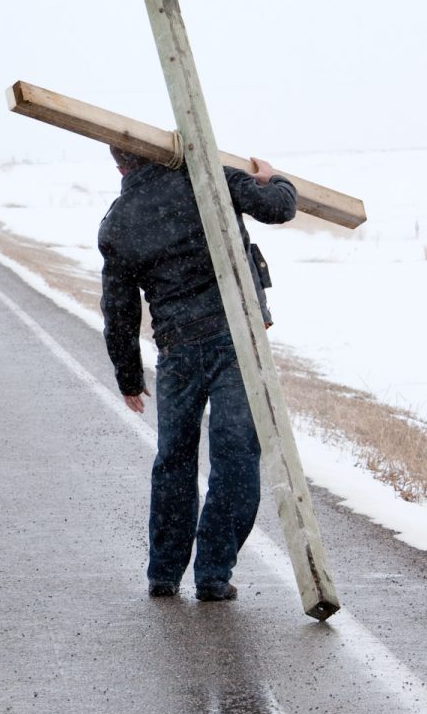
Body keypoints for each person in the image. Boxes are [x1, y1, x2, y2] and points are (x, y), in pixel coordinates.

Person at [98, 144, 297, 602]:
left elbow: (120, 311)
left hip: (177, 349)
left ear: (119, 165)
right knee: (234, 455)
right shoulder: (207, 177)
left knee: (174, 459)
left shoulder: (118, 220)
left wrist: (129, 376)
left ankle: (164, 574)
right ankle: (212, 574)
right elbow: (277, 209)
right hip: (235, 340)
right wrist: (273, 179)